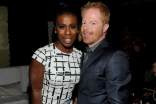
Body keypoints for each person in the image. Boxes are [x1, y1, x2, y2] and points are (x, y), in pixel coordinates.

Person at [77, 1, 131, 104]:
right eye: (84, 22)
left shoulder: (115, 56)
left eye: (93, 23)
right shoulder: (85, 52)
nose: (86, 28)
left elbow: (118, 102)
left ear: (105, 27)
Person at [29, 2, 82, 104]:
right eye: (62, 27)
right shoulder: (41, 55)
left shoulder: (80, 56)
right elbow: (36, 92)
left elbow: (80, 90)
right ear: (55, 30)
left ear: (77, 29)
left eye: (72, 26)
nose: (67, 32)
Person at [129, 38, 147, 103]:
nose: (133, 47)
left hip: (136, 80)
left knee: (136, 97)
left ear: (137, 46)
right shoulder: (142, 55)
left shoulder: (137, 56)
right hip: (138, 80)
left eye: (134, 45)